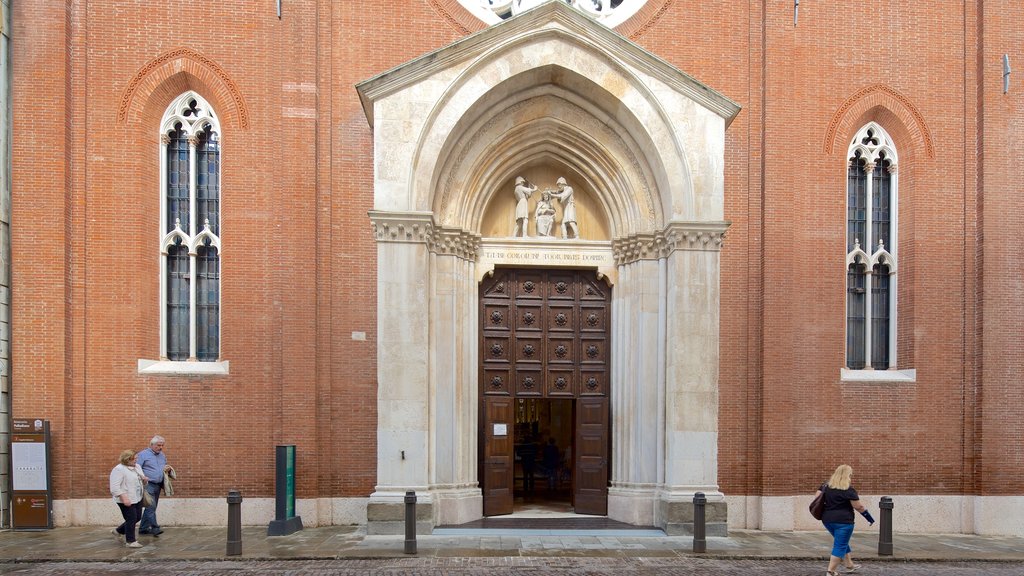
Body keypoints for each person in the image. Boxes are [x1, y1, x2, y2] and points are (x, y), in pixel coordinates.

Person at [816, 464, 870, 575]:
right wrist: (869, 518)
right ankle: (830, 571)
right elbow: (858, 507)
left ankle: (849, 564)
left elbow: (817, 498)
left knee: (842, 541)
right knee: (840, 545)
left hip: (827, 520)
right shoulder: (848, 489)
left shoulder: (825, 486)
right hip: (844, 522)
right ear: (847, 475)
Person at [109, 449, 146, 548]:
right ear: (127, 459)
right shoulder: (119, 469)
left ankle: (118, 531)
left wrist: (144, 479)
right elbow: (114, 487)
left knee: (137, 517)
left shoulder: (137, 467)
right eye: (134, 459)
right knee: (131, 518)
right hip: (125, 498)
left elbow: (140, 479)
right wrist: (124, 498)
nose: (136, 460)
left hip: (137, 496)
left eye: (136, 458)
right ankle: (130, 541)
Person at [137, 435, 172, 536]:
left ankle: (143, 529)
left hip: (158, 485)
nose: (160, 447)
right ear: (152, 445)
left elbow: (163, 466)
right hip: (148, 484)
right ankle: (155, 528)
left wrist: (167, 469)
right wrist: (142, 478)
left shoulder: (162, 455)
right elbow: (137, 468)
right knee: (151, 507)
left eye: (162, 445)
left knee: (152, 507)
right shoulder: (143, 455)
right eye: (158, 445)